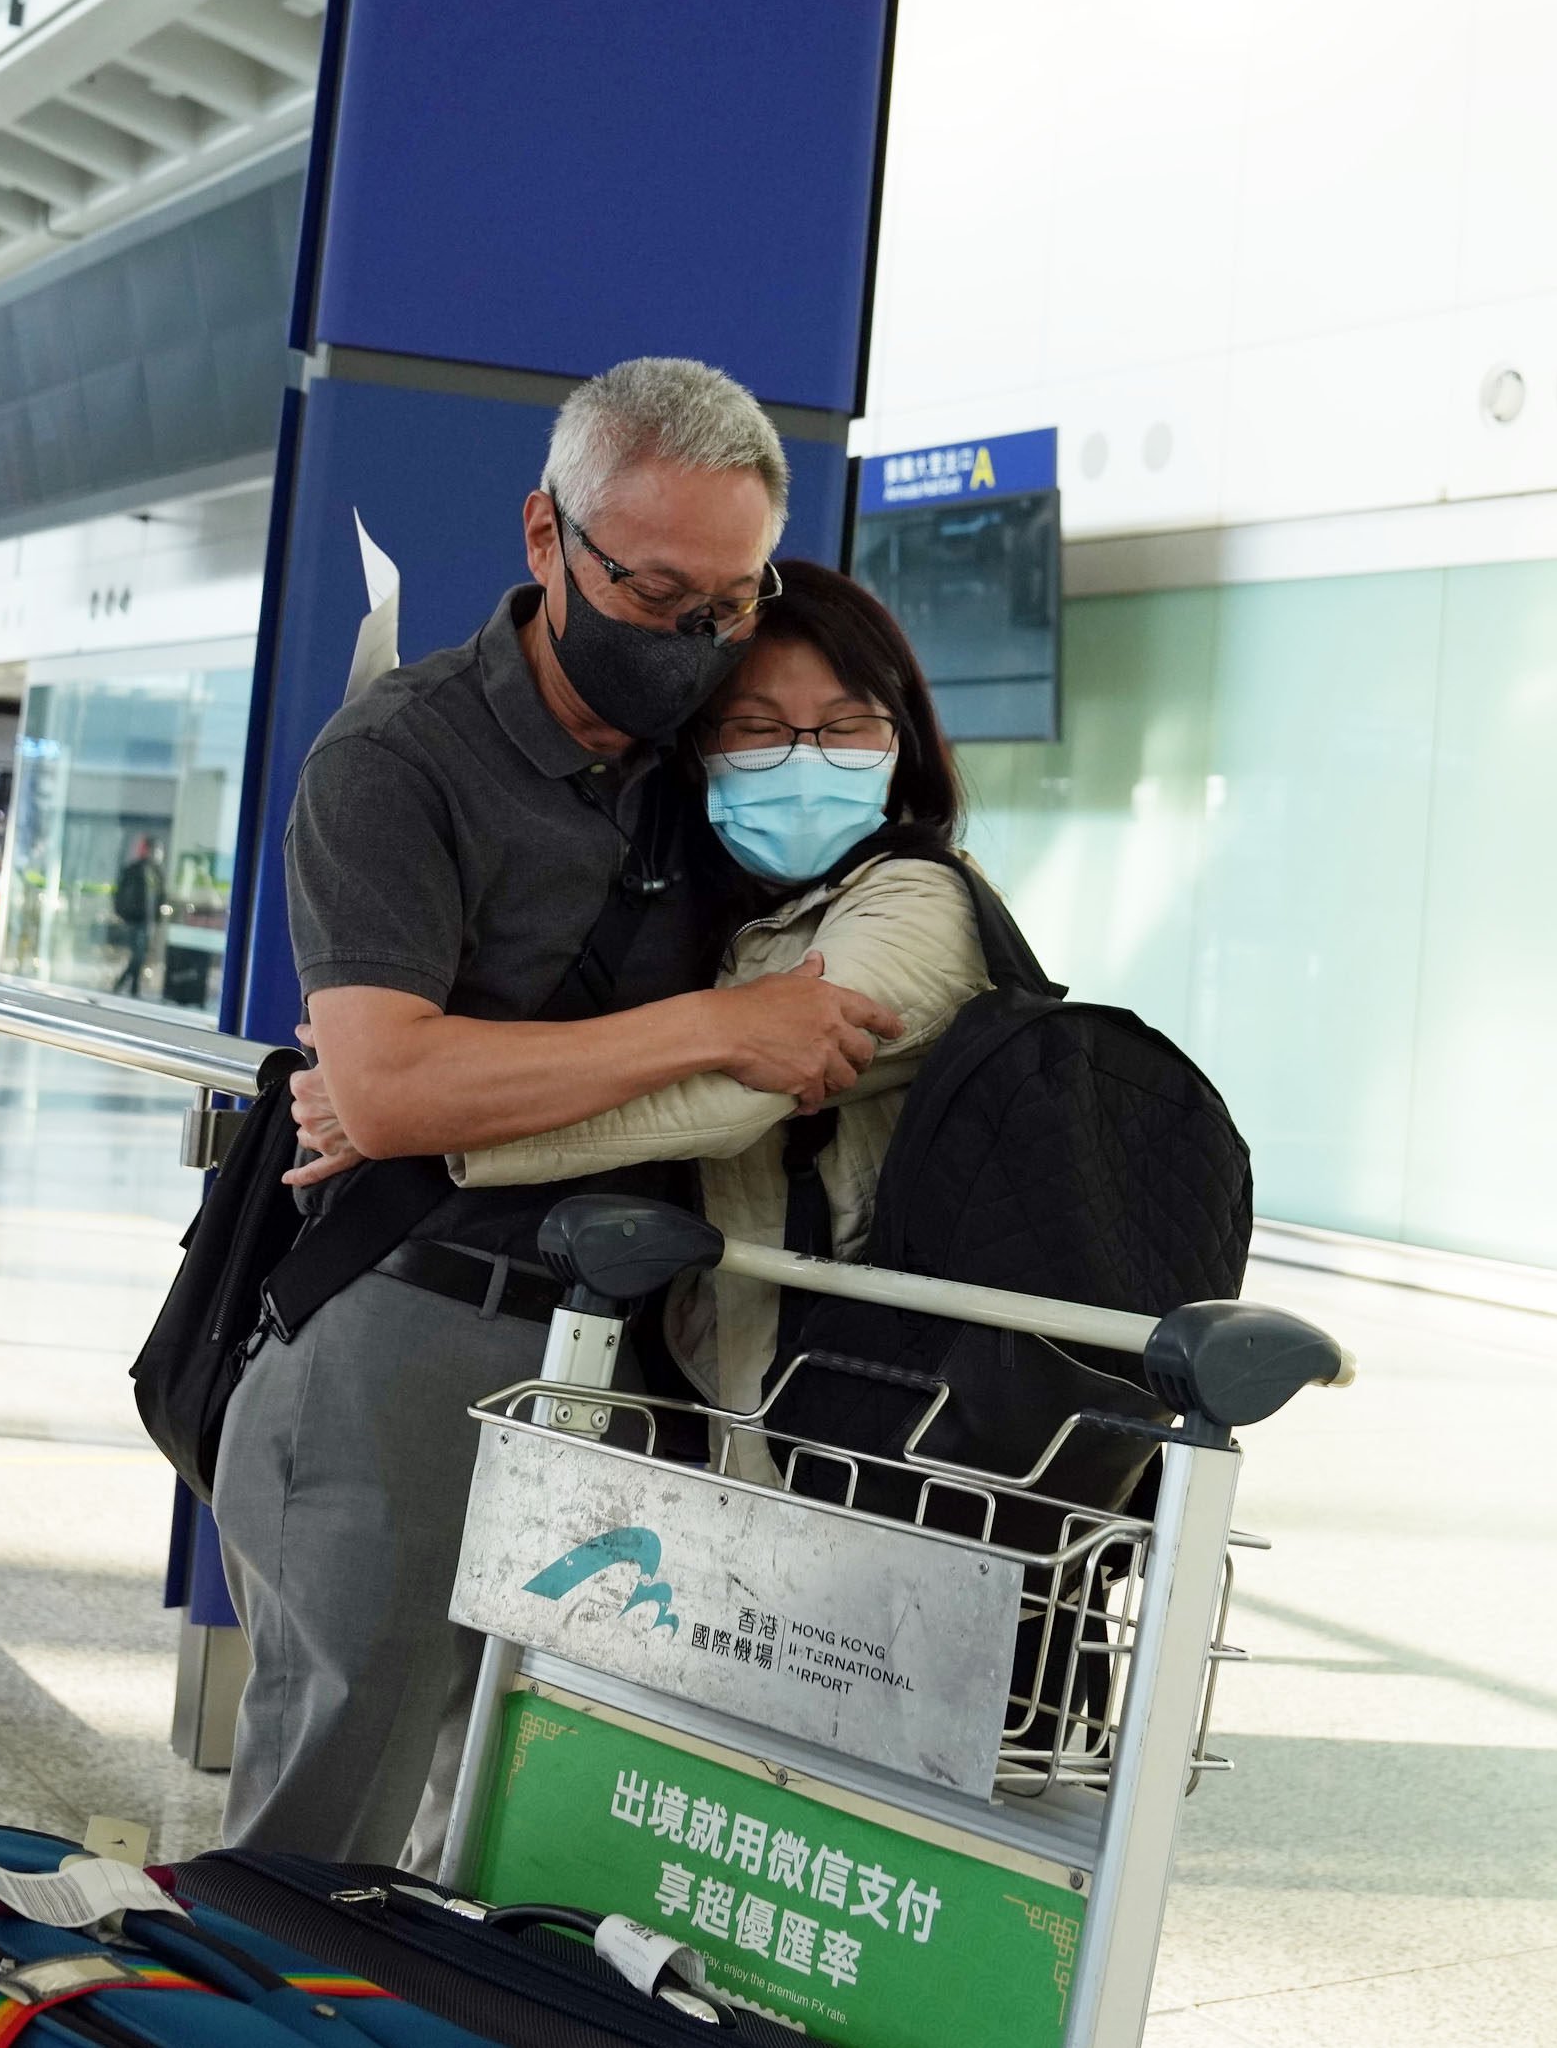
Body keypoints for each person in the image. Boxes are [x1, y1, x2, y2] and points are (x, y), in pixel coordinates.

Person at [210, 358, 904, 1871]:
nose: (696, 642)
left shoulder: (712, 761)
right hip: (408, 1332)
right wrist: (714, 1029)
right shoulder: (398, 760)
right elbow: (390, 1089)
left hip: (638, 1355)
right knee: (325, 1833)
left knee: (538, 1834)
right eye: (657, 596)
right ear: (546, 537)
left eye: (730, 601)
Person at [355, 559, 993, 1468]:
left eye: (849, 727)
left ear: (905, 744)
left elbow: (723, 1098)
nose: (806, 760)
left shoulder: (922, 907)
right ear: (699, 752)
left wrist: (426, 1110)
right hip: (726, 1387)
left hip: (871, 1412)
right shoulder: (738, 904)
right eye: (758, 729)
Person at [111, 833, 163, 996]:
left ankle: (132, 987)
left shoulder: (156, 873)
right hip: (135, 919)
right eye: (156, 850)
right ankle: (125, 985)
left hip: (148, 921)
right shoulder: (134, 870)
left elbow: (159, 897)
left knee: (140, 954)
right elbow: (120, 894)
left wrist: (157, 918)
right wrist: (122, 913)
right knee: (138, 954)